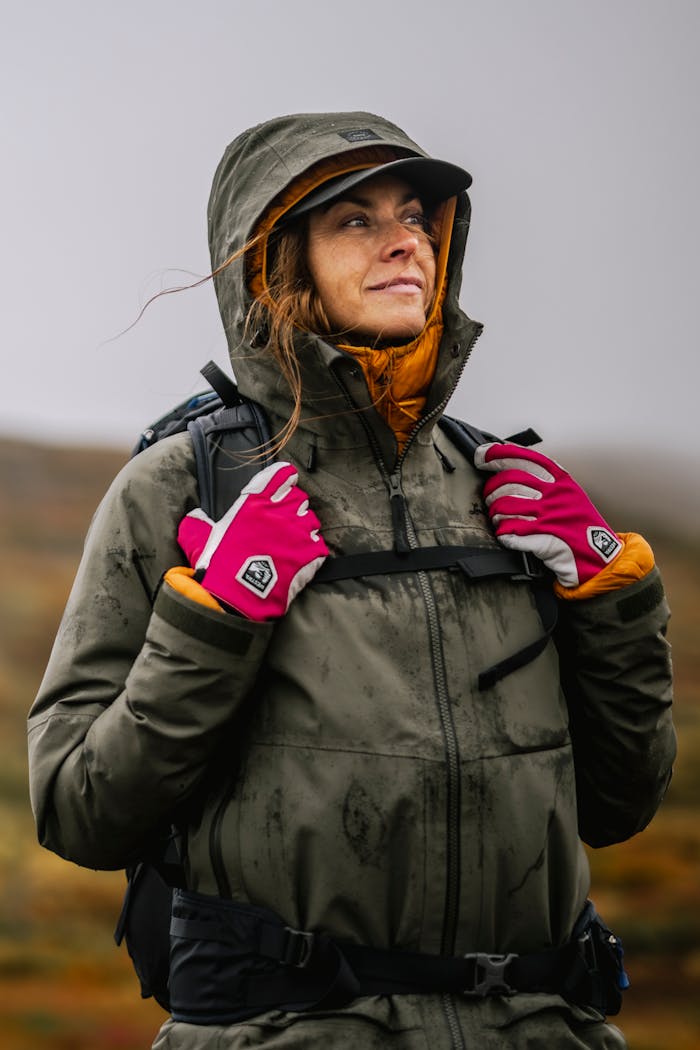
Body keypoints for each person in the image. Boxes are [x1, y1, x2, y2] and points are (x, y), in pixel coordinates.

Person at [28, 111, 675, 1049]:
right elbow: (79, 809)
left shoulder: (501, 489)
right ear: (277, 259)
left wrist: (612, 598)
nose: (405, 240)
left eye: (415, 215)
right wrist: (220, 613)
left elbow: (622, 806)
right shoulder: (181, 487)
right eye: (355, 220)